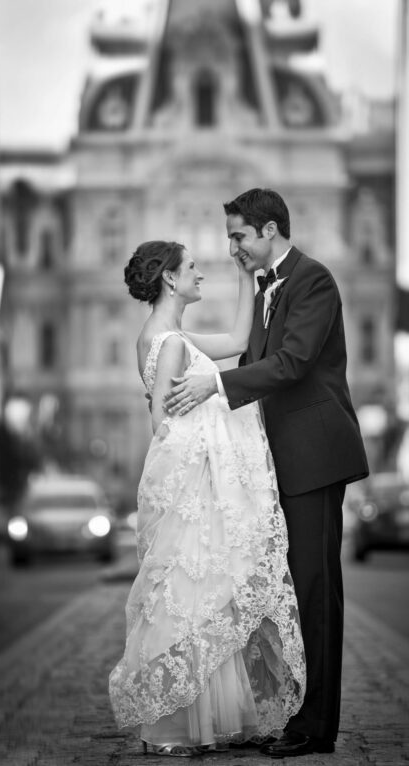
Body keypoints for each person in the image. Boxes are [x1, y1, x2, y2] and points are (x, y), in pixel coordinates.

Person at [163, 188, 369, 758]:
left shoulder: (314, 280)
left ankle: (316, 729)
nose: (232, 248)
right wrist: (173, 347)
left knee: (315, 590)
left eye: (239, 237)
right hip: (277, 457)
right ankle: (300, 715)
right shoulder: (261, 286)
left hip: (316, 453)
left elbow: (293, 362)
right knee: (290, 593)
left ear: (271, 229)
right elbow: (249, 356)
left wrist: (217, 384)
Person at [111, 241, 306, 756]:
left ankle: (205, 718)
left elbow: (240, 342)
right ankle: (192, 722)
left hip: (195, 481)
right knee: (201, 594)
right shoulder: (170, 342)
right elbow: (164, 426)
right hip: (195, 483)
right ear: (171, 280)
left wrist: (248, 278)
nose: (200, 274)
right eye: (192, 268)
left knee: (197, 595)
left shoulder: (160, 335)